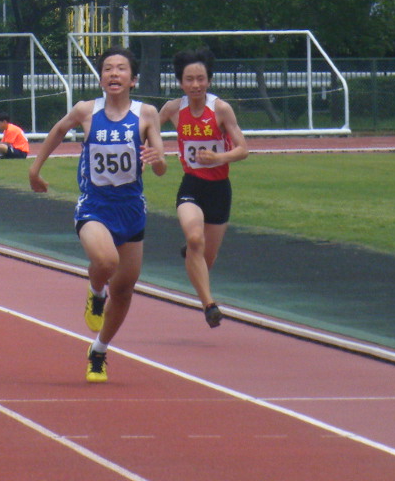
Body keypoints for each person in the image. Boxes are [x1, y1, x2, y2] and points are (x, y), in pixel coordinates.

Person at [28, 46, 166, 383]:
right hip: (95, 206)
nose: (114, 73)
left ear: (133, 79)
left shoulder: (147, 114)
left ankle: (99, 350)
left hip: (131, 210)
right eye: (107, 69)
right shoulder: (86, 110)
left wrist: (157, 159)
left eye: (121, 69)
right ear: (101, 78)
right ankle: (96, 292)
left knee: (125, 289)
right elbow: (58, 131)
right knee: (106, 262)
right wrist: (35, 169)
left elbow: (160, 165)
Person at [158, 47, 249, 328]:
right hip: (192, 186)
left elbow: (243, 149)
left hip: (219, 190)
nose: (195, 85)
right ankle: (209, 305)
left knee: (205, 260)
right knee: (195, 239)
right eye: (189, 79)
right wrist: (151, 150)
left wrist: (219, 158)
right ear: (180, 82)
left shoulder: (220, 109)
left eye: (201, 79)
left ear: (209, 80)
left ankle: (193, 255)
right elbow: (146, 130)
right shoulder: (173, 109)